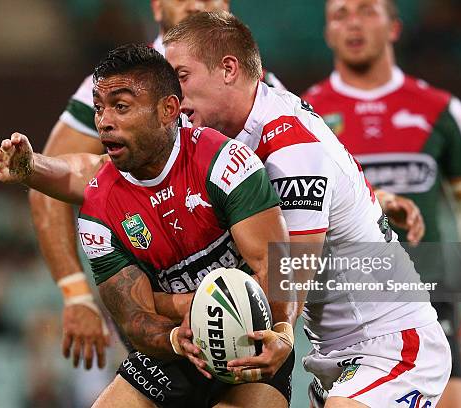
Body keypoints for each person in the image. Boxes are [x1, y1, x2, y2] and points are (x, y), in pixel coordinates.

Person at [155, 11, 451, 407]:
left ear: (228, 69)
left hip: (392, 344)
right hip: (334, 354)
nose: (172, 97)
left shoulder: (289, 146)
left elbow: (289, 270)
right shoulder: (248, 126)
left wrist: (164, 305)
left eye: (182, 76)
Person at [0, 44, 296, 408]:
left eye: (121, 107)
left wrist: (283, 333)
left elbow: (278, 265)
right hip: (175, 348)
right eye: (99, 108)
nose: (104, 122)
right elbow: (134, 318)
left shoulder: (225, 163)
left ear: (168, 110)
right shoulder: (99, 209)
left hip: (249, 341)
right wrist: (176, 336)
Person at [28, 0, 286, 371]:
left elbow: (300, 177)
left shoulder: (254, 81)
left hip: (251, 287)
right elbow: (54, 179)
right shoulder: (114, 85)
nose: (197, 4)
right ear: (157, 5)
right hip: (160, 306)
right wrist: (75, 293)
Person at [301, 1, 461, 406]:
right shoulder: (305, 115)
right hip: (346, 302)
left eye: (367, 11)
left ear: (394, 27)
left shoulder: (440, 110)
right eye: (340, 15)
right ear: (327, 34)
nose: (353, 23)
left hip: (426, 289)